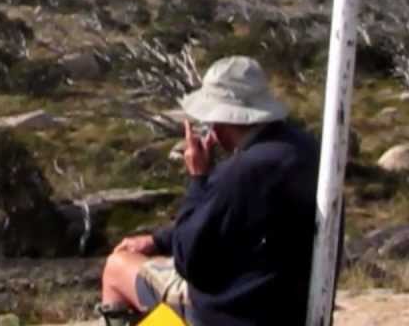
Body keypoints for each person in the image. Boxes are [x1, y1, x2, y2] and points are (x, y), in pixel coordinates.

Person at [96, 56, 325, 326]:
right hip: (289, 308)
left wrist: (198, 178)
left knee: (117, 267)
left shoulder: (243, 171)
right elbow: (227, 220)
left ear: (223, 118)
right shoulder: (306, 149)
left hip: (234, 314)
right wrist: (158, 240)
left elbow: (189, 259)